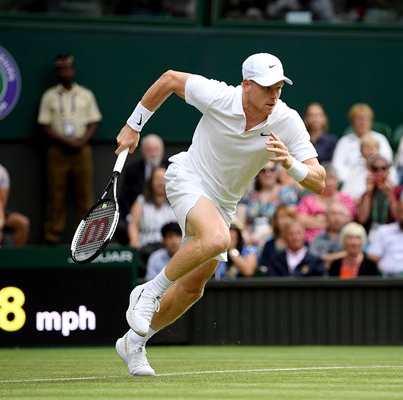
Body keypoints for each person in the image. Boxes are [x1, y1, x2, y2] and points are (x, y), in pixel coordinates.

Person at [113, 53, 325, 376]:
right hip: (189, 178)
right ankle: (147, 292)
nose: (274, 95)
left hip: (223, 204)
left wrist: (290, 164)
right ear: (246, 85)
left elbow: (318, 179)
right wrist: (133, 125)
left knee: (192, 288)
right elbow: (169, 79)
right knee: (217, 238)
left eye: (279, 87)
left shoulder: (286, 119)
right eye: (267, 87)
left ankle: (134, 342)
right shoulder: (219, 96)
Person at [37, 54, 102, 244]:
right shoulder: (49, 96)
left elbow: (93, 122)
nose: (65, 72)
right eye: (61, 70)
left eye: (68, 69)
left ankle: (84, 238)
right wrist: (65, 141)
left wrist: (81, 141)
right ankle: (52, 237)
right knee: (55, 195)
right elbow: (44, 125)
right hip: (57, 150)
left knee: (85, 194)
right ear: (57, 73)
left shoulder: (85, 94)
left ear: (73, 70)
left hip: (82, 149)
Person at [127, 166, 177, 278]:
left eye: (164, 179)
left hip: (169, 247)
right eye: (157, 178)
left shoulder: (175, 203)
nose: (161, 182)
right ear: (150, 182)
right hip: (145, 248)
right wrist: (134, 241)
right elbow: (133, 224)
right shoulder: (141, 201)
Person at [236, 160, 298, 247]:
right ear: (257, 174)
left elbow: (290, 219)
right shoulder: (250, 194)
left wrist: (263, 234)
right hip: (249, 241)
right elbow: (239, 219)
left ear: (277, 172)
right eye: (263, 171)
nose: (268, 174)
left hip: (276, 239)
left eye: (272, 170)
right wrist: (244, 233)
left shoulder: (286, 193)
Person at [331, 103, 393, 183]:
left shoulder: (380, 139)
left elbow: (388, 161)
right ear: (352, 121)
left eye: (366, 118)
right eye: (359, 118)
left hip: (377, 181)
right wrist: (352, 179)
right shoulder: (344, 141)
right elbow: (337, 165)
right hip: (350, 181)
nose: (363, 122)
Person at [295, 163, 355, 244]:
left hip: (340, 241)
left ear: (337, 180)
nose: (329, 182)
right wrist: (333, 221)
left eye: (332, 178)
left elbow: (349, 217)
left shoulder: (345, 198)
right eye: (325, 179)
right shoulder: (309, 199)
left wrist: (319, 219)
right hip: (312, 242)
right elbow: (300, 220)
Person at [341, 134, 398, 202]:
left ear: (378, 150)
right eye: (367, 147)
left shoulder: (389, 170)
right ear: (361, 152)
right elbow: (346, 195)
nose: (371, 150)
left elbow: (394, 191)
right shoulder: (355, 172)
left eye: (374, 147)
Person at [356, 154, 403, 235]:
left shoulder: (398, 191)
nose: (380, 172)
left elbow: (399, 217)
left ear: (388, 171)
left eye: (383, 168)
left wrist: (390, 195)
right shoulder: (367, 193)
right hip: (372, 233)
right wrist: (368, 193)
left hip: (393, 233)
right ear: (370, 172)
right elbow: (362, 219)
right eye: (375, 169)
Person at [309, 201, 351, 269]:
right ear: (326, 217)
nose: (337, 218)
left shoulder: (350, 236)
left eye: (340, 214)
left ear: (345, 218)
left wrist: (327, 258)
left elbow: (356, 255)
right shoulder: (318, 238)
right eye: (333, 214)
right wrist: (343, 254)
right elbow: (313, 258)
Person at [258, 204, 297, 272]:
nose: (285, 221)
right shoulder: (269, 245)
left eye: (288, 217)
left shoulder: (299, 242)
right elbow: (263, 265)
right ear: (276, 221)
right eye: (281, 217)